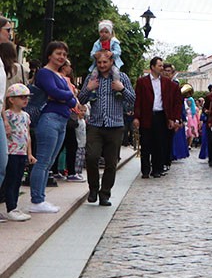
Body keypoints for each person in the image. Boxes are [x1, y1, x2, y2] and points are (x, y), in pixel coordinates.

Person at [78, 50, 134, 207]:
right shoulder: (92, 78)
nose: (102, 65)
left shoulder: (121, 78)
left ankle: (105, 194)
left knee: (111, 163)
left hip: (115, 125)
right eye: (99, 63)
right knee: (91, 157)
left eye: (105, 62)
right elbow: (80, 100)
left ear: (111, 62)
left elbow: (133, 100)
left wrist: (122, 89)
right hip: (95, 124)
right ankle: (93, 189)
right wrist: (88, 88)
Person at [30, 41, 77, 214]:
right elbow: (56, 93)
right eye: (58, 53)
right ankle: (36, 200)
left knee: (49, 162)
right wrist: (67, 95)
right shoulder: (44, 73)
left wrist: (64, 96)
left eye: (64, 55)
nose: (61, 57)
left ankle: (40, 197)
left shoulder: (58, 75)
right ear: (49, 54)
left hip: (62, 120)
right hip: (49, 119)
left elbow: (70, 100)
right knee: (43, 161)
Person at [134, 57, 182, 181]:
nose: (162, 68)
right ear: (152, 67)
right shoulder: (142, 82)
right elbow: (138, 101)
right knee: (145, 144)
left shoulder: (166, 83)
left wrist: (173, 118)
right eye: (160, 66)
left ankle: (157, 169)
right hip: (147, 115)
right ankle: (145, 170)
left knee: (159, 144)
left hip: (161, 115)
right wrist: (136, 117)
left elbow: (173, 101)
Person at [2, 84, 33, 221]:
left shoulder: (26, 115)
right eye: (21, 97)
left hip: (21, 153)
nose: (25, 100)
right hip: (11, 152)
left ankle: (14, 206)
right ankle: (11, 207)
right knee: (11, 180)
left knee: (18, 180)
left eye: (26, 97)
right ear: (11, 100)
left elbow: (28, 136)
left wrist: (30, 153)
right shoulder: (7, 115)